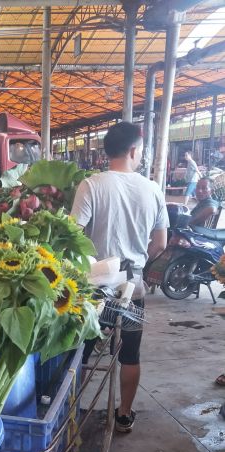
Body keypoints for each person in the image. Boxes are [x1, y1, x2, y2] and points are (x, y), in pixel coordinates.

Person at [71, 121, 168, 434]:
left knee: (82, 352)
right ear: (134, 150)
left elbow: (72, 234)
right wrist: (139, 263)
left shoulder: (91, 185)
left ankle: (70, 410)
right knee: (129, 353)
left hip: (94, 289)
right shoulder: (152, 189)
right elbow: (161, 243)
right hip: (133, 287)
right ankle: (124, 413)